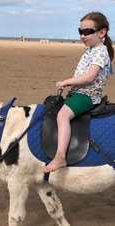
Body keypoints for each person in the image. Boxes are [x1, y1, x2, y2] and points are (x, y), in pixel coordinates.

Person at [43, 11, 114, 173]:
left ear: (102, 32)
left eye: (88, 32)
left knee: (62, 116)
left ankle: (60, 156)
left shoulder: (100, 52)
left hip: (86, 96)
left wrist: (67, 81)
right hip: (79, 93)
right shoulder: (91, 50)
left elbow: (89, 77)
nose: (83, 35)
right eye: (80, 31)